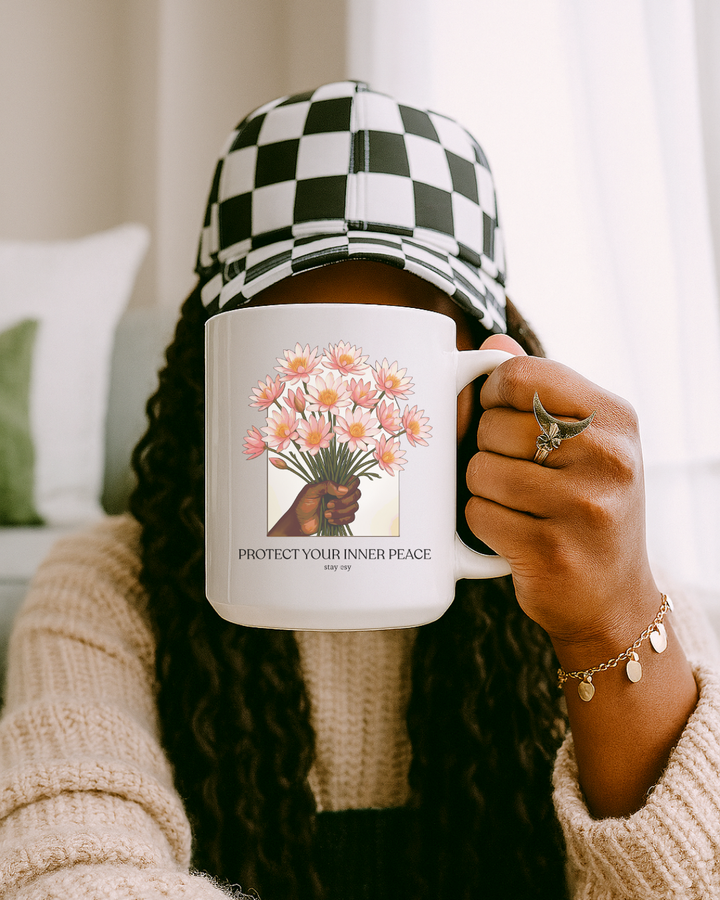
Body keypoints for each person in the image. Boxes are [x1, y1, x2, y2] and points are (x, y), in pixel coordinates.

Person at [1, 80, 719, 900]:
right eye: (299, 343)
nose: (340, 408)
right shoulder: (104, 591)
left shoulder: (589, 590)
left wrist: (608, 620)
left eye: (392, 356)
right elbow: (68, 874)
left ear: (482, 368)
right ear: (211, 367)